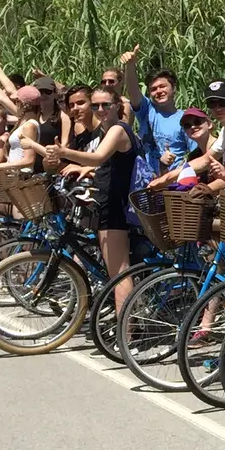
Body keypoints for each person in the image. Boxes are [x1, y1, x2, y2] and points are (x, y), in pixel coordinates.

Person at [43, 88, 138, 314]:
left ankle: (125, 330)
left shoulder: (117, 130)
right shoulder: (106, 131)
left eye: (106, 104)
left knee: (119, 273)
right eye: (96, 106)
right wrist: (83, 168)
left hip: (116, 205)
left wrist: (64, 152)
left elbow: (98, 157)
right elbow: (103, 165)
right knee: (114, 270)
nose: (100, 109)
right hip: (105, 202)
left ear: (117, 105)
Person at [120, 47, 190, 190]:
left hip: (172, 185)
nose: (158, 91)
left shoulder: (186, 119)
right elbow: (133, 91)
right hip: (145, 184)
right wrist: (130, 66)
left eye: (163, 86)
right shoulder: (147, 110)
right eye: (153, 89)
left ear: (174, 88)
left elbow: (195, 154)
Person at [147, 109, 216, 188]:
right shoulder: (193, 156)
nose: (193, 126)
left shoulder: (221, 146)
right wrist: (163, 165)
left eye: (197, 122)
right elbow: (176, 183)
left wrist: (205, 189)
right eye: (187, 125)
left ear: (209, 124)